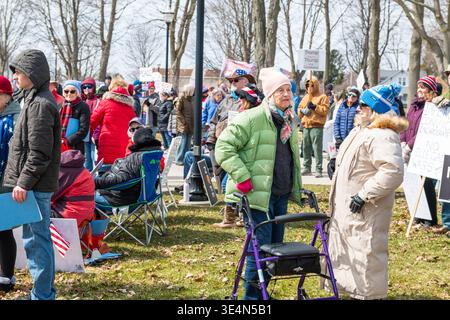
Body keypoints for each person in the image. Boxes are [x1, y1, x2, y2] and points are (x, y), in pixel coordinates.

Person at [215, 67, 302, 300]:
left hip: (279, 193)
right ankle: (251, 299)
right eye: (280, 90)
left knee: (275, 248)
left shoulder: (289, 120)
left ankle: (262, 293)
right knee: (259, 250)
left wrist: (296, 186)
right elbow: (223, 148)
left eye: (288, 90)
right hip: (255, 196)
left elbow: (289, 158)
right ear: (270, 95)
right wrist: (242, 177)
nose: (286, 94)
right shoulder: (251, 118)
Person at [327, 83, 408, 300]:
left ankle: (368, 296)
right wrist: (336, 162)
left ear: (375, 109)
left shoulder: (383, 134)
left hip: (367, 210)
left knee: (366, 257)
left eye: (363, 105)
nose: (357, 108)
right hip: (348, 209)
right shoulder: (361, 129)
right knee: (350, 255)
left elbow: (392, 171)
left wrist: (364, 195)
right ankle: (352, 292)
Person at [4, 49, 61, 300]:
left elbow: (39, 153)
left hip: (35, 186)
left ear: (32, 73)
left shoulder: (40, 105)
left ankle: (43, 296)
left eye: (18, 71)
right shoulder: (33, 99)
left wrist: (23, 183)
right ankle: (42, 293)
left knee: (37, 243)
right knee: (34, 241)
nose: (14, 76)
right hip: (33, 185)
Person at [213, 83, 265, 228]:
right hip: (238, 158)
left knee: (231, 187)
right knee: (230, 187)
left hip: (247, 158)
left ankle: (237, 218)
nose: (240, 101)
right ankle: (232, 217)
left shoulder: (252, 116)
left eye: (243, 99)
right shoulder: (244, 113)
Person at [401, 76, 440, 228]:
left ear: (431, 90)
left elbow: (425, 129)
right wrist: (403, 141)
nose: (419, 90)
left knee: (426, 184)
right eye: (418, 86)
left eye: (423, 87)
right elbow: (405, 125)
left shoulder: (432, 107)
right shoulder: (413, 105)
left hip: (424, 150)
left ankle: (430, 220)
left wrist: (410, 146)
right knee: (414, 184)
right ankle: (417, 216)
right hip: (409, 149)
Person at [95, 127, 162, 207]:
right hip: (147, 196)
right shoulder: (154, 155)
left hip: (124, 200)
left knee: (84, 193)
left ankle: (92, 218)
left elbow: (120, 180)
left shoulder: (134, 158)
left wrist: (96, 182)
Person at [0, 75, 20, 293]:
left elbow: (18, 151)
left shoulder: (15, 117)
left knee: (3, 228)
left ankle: (6, 277)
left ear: (6, 96)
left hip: (7, 179)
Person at [90, 76, 136, 165]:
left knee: (105, 176)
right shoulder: (130, 108)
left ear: (111, 88)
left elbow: (92, 122)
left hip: (107, 148)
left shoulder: (105, 103)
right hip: (125, 151)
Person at [51, 150, 95, 228]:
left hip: (70, 215)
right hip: (87, 214)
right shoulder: (84, 170)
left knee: (37, 213)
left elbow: (51, 195)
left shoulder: (65, 172)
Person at [298, 78, 330, 178]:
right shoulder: (306, 97)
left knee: (317, 148)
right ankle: (307, 167)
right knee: (306, 148)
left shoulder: (323, 97)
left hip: (317, 126)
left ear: (315, 85)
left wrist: (314, 107)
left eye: (311, 85)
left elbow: (325, 110)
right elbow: (299, 108)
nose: (309, 87)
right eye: (307, 86)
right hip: (306, 126)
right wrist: (302, 111)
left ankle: (318, 169)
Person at [60, 80, 90, 154]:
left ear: (77, 93)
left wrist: (67, 141)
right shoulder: (59, 105)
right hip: (58, 146)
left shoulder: (83, 106)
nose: (69, 94)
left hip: (75, 148)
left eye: (72, 91)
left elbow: (83, 130)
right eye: (66, 91)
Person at [81, 77, 100, 171]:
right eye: (84, 87)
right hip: (84, 134)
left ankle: (96, 180)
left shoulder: (98, 101)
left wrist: (96, 135)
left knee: (94, 157)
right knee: (86, 159)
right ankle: (88, 179)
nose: (87, 89)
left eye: (89, 86)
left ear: (94, 88)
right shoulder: (82, 101)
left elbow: (98, 119)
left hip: (94, 135)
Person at [174, 85, 195, 165]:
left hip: (190, 124)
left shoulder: (192, 98)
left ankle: (185, 159)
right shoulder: (181, 98)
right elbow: (178, 111)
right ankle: (179, 159)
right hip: (183, 125)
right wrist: (184, 122)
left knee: (188, 143)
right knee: (183, 142)